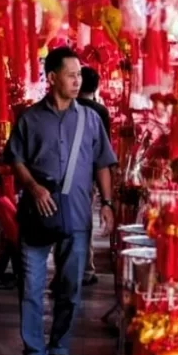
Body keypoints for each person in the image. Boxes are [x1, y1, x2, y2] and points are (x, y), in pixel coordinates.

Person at [3, 47, 118, 355]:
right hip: (36, 212)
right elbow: (15, 159)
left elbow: (102, 165)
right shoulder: (29, 118)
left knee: (70, 286)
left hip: (77, 213)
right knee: (31, 285)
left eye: (79, 74)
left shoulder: (91, 119)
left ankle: (60, 348)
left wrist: (107, 205)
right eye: (71, 74)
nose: (77, 79)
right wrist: (33, 187)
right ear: (52, 78)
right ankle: (33, 351)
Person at [76, 65, 113, 285]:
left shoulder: (70, 105)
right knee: (84, 218)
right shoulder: (100, 111)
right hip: (90, 171)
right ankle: (86, 268)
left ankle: (73, 268)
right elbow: (104, 149)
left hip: (72, 171)